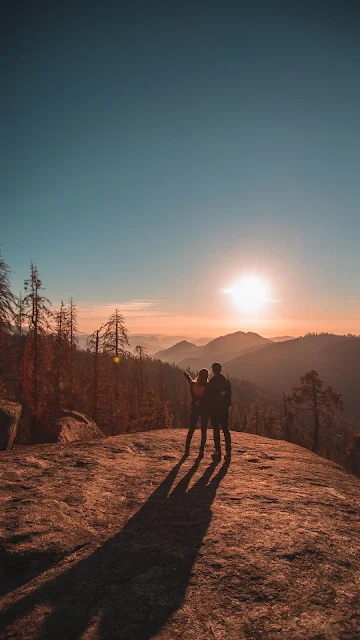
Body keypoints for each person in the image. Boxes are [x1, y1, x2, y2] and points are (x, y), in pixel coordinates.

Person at [207, 362, 232, 461]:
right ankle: (228, 451)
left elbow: (209, 396)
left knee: (216, 429)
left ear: (213, 370)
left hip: (215, 410)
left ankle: (217, 451)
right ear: (220, 369)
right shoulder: (226, 381)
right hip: (224, 409)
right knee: (226, 429)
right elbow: (229, 395)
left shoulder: (212, 381)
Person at [183, 368, 209, 457]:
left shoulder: (193, 385)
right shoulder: (208, 386)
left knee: (191, 429)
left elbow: (190, 381)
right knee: (203, 431)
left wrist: (187, 375)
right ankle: (201, 452)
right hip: (205, 410)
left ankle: (187, 449)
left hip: (195, 409)